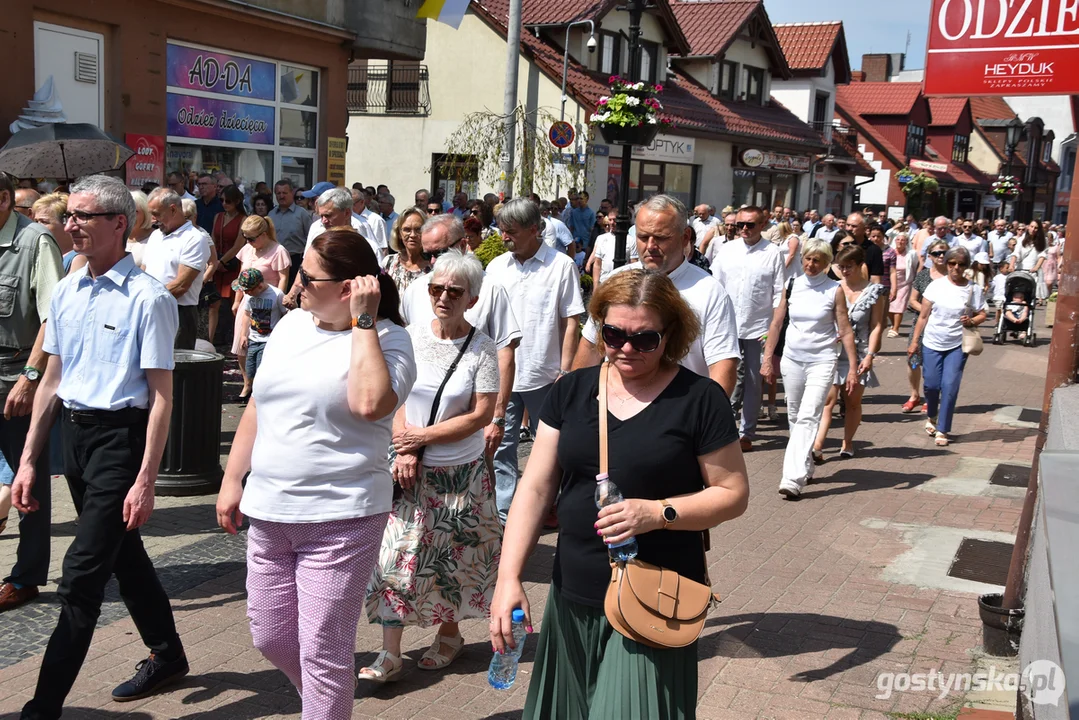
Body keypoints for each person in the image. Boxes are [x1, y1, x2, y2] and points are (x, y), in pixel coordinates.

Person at [489, 268, 749, 718]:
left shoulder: (700, 399)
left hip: (656, 596)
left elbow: (733, 493)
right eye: (613, 334)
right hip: (574, 589)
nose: (626, 348)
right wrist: (508, 578)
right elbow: (534, 489)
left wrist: (657, 512)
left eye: (644, 339)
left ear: (671, 336)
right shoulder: (571, 390)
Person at [215, 229, 416, 720]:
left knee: (322, 648)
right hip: (270, 511)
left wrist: (363, 321)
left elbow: (370, 404)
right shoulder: (290, 326)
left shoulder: (391, 340)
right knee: (271, 636)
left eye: (308, 276)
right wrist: (231, 478)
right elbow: (260, 406)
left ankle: (325, 706)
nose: (295, 285)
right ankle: (328, 703)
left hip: (342, 517)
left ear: (350, 287)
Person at [11, 174, 187, 716]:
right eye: (69, 216)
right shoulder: (66, 290)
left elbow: (161, 398)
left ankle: (42, 707)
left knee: (81, 576)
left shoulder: (149, 298)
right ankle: (168, 654)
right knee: (124, 554)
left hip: (122, 439)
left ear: (119, 224)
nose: (71, 225)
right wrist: (28, 461)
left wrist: (146, 479)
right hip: (78, 438)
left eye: (83, 216)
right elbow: (53, 381)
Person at [362, 250, 501, 681]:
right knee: (393, 558)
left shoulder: (483, 348)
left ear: (472, 299)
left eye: (454, 292)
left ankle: (450, 635)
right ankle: (389, 654)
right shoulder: (411, 335)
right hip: (407, 472)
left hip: (460, 474)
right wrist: (405, 448)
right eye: (436, 289)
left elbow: (480, 415)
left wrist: (422, 438)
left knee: (451, 561)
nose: (443, 297)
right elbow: (392, 395)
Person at [400, 214, 521, 499]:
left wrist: (498, 417)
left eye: (441, 252)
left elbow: (504, 351)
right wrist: (406, 443)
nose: (433, 261)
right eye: (428, 254)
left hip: (467, 433)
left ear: (463, 244)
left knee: (493, 473)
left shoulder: (489, 289)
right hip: (414, 439)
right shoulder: (417, 289)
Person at [574, 195, 740, 398]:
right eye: (643, 237)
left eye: (661, 238)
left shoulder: (710, 292)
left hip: (679, 412)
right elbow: (591, 344)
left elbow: (723, 364)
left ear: (685, 237)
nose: (650, 246)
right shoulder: (617, 279)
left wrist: (709, 418)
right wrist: (575, 401)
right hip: (615, 407)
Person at [484, 199, 583, 519]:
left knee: (550, 448)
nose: (504, 237)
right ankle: (504, 515)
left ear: (534, 230)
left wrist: (566, 369)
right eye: (502, 230)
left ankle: (549, 506)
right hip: (502, 373)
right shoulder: (496, 267)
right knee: (501, 446)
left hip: (546, 372)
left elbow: (571, 321)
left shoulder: (561, 266)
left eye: (510, 231)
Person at [0, 173, 62, 614]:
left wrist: (29, 377)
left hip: (13, 371)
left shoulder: (36, 241)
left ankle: (26, 576)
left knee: (28, 479)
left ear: (4, 199)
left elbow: (52, 319)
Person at [761, 238, 859, 499]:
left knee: (808, 416)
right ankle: (805, 464)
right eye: (807, 258)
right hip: (792, 359)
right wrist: (767, 357)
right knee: (794, 415)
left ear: (827, 263)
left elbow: (845, 329)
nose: (810, 264)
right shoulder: (791, 285)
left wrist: (852, 367)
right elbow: (776, 324)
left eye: (817, 260)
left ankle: (792, 478)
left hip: (822, 360)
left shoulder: (834, 290)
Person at [711, 205, 785, 452]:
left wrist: (774, 327)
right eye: (739, 224)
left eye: (749, 224)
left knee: (754, 381)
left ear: (762, 225)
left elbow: (778, 293)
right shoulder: (728, 250)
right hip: (727, 324)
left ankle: (747, 432)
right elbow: (716, 285)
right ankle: (723, 425)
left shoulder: (773, 253)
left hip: (758, 326)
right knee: (723, 374)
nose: (743, 228)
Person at [909, 246, 987, 446]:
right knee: (931, 385)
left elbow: (982, 313)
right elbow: (923, 316)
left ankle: (942, 429)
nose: (956, 268)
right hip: (932, 342)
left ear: (966, 266)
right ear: (947, 264)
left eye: (961, 264)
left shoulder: (973, 289)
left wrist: (972, 321)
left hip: (957, 344)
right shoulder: (936, 286)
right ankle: (932, 416)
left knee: (950, 386)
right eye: (952, 263)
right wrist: (915, 342)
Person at [813, 245, 885, 461]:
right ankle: (817, 446)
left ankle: (848, 441)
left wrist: (871, 354)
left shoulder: (874, 291)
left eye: (848, 267)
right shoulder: (834, 287)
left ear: (859, 265)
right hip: (833, 351)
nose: (844, 271)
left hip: (859, 351)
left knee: (852, 401)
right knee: (828, 400)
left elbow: (876, 325)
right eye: (841, 267)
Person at [228, 215, 291, 403]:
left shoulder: (278, 251)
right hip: (248, 300)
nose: (248, 242)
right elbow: (241, 276)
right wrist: (237, 300)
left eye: (252, 238)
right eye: (245, 237)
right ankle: (247, 382)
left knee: (264, 344)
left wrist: (278, 301)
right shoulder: (247, 249)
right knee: (241, 345)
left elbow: (283, 278)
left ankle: (262, 384)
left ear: (263, 234)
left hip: (268, 302)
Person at [143, 188, 210, 349]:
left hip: (178, 313)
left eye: (157, 213)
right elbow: (143, 271)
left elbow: (181, 286)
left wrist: (146, 300)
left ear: (173, 209)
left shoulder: (194, 238)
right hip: (150, 308)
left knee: (176, 368)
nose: (152, 219)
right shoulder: (155, 235)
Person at [207, 185, 247, 345]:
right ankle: (211, 340)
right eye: (222, 200)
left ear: (237, 201)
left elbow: (238, 245)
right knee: (213, 303)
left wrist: (221, 262)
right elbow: (212, 240)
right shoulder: (218, 216)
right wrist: (215, 261)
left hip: (232, 265)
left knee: (233, 303)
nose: (224, 204)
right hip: (217, 263)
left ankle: (235, 340)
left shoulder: (243, 219)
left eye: (228, 201)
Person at [234, 268, 286, 383]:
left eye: (248, 290)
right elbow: (247, 314)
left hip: (268, 339)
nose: (246, 293)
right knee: (250, 370)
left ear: (260, 286)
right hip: (253, 338)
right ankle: (252, 389)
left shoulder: (276, 294)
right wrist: (243, 335)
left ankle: (258, 396)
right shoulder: (248, 296)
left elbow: (285, 313)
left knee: (260, 369)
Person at [268, 178, 313, 288]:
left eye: (284, 193)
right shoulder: (271, 214)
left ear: (291, 193)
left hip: (295, 261)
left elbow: (311, 239)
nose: (281, 196)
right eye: (278, 193)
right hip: (275, 262)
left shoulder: (302, 214)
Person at [382, 207, 430, 297]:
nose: (412, 235)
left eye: (418, 229)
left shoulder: (433, 265)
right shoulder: (388, 262)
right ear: (399, 234)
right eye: (407, 230)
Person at [588, 210, 638, 285]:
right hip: (604, 282)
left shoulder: (630, 240)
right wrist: (595, 286)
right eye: (610, 220)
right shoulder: (601, 238)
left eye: (614, 220)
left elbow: (634, 263)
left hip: (622, 283)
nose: (612, 223)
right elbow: (597, 264)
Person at [888, 233, 919, 337]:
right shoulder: (890, 252)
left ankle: (896, 329)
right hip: (891, 283)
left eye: (903, 240)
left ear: (906, 242)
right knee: (889, 306)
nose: (900, 242)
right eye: (898, 240)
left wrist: (913, 280)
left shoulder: (911, 254)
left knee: (899, 306)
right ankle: (893, 325)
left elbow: (914, 266)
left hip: (904, 283)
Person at [846, 213, 884, 284]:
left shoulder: (874, 250)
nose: (849, 229)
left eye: (854, 226)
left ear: (865, 229)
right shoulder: (840, 246)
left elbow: (875, 279)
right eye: (848, 225)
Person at [126, 191, 155, 269]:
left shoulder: (156, 238)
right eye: (126, 211)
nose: (130, 216)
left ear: (146, 213)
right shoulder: (117, 237)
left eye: (135, 212)